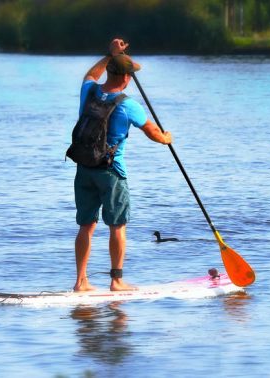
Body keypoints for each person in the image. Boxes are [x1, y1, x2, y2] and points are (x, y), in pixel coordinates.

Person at [72, 39, 172, 292]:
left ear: (109, 71)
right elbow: (152, 131)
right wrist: (166, 138)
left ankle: (81, 281)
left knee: (87, 225)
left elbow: (90, 75)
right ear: (126, 77)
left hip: (84, 168)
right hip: (111, 173)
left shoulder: (90, 92)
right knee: (117, 225)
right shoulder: (128, 105)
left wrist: (110, 54)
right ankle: (116, 281)